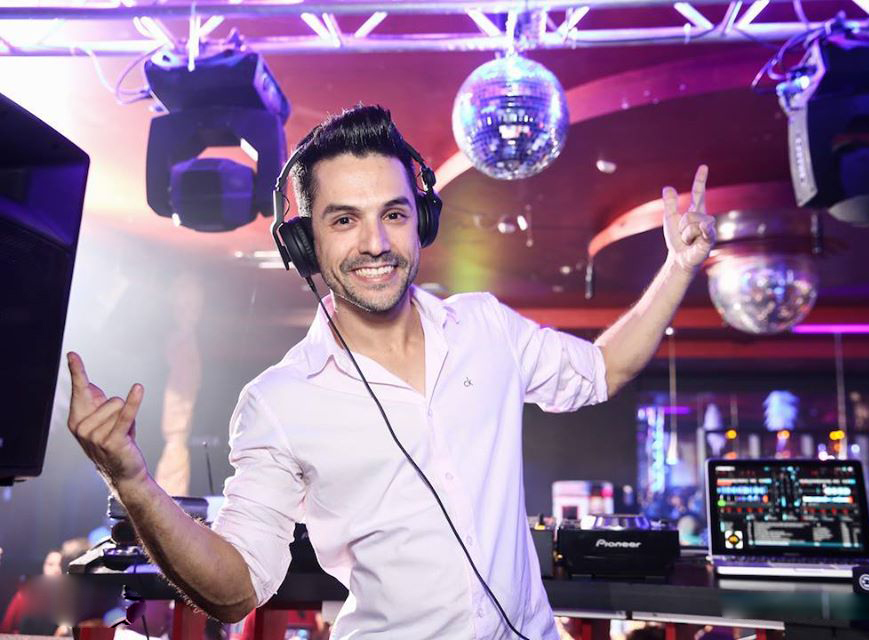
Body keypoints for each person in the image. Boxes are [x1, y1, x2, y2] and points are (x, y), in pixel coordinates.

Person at [65, 105, 716, 639]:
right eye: (344, 219)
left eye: (394, 215)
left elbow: (603, 368)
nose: (375, 243)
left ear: (420, 221)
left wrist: (678, 266)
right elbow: (236, 591)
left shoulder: (487, 328)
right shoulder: (279, 402)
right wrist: (134, 483)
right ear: (306, 241)